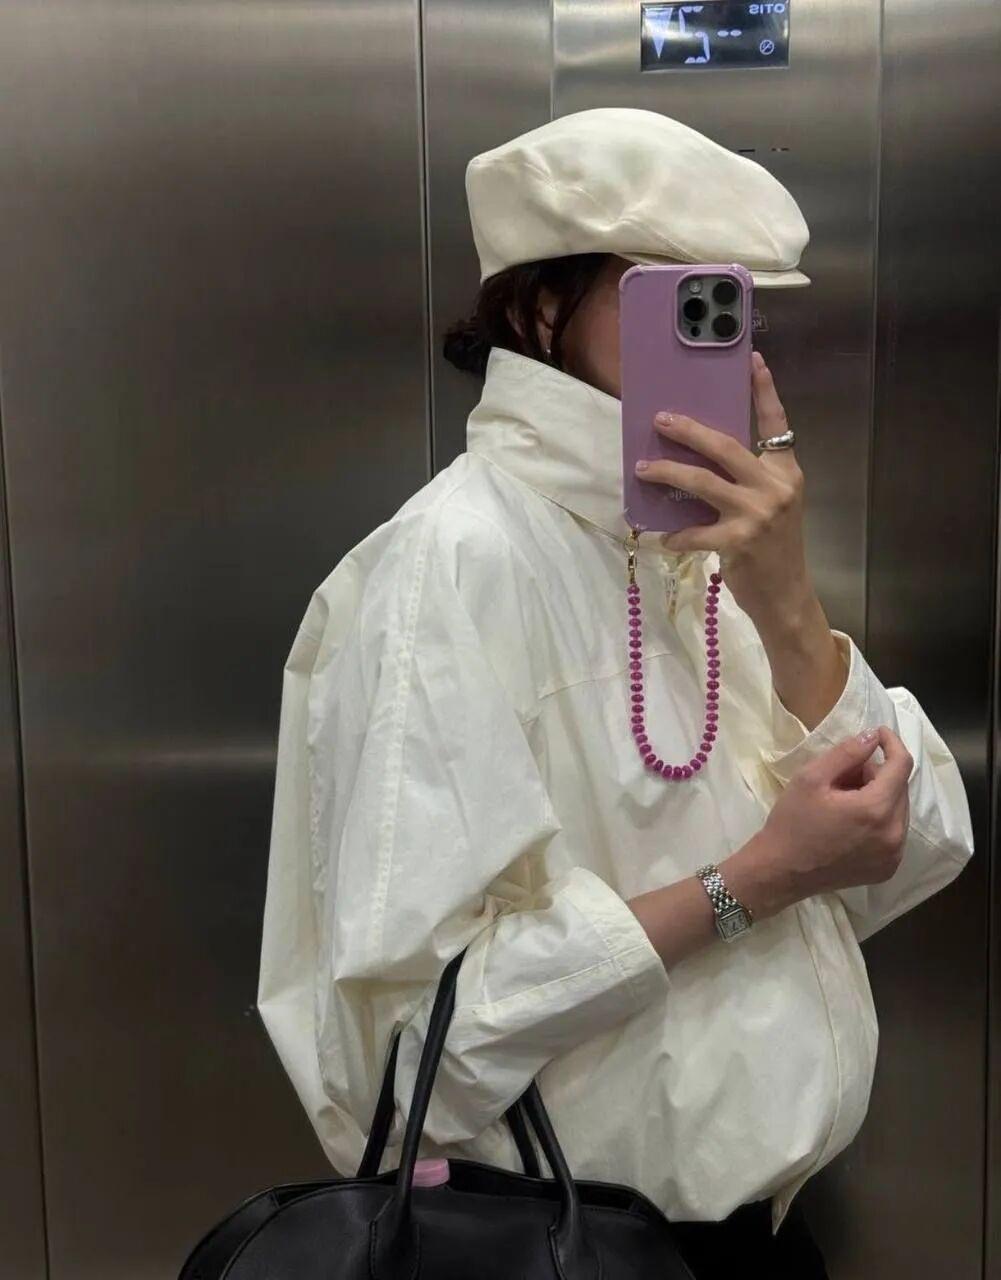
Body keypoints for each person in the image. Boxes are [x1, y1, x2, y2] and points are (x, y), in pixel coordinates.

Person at [256, 108, 974, 1277]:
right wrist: (749, 880)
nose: (713, 341)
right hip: (559, 1250)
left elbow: (917, 849)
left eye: (730, 305)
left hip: (763, 1240)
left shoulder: (710, 554)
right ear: (542, 309)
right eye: (671, 298)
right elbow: (408, 1057)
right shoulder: (449, 568)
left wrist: (789, 606)